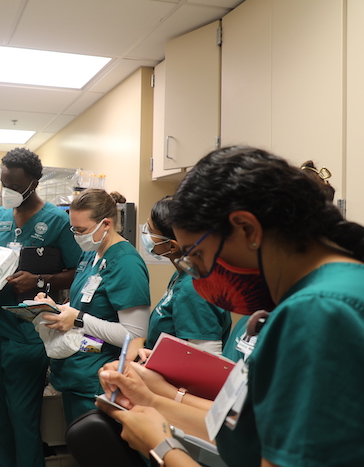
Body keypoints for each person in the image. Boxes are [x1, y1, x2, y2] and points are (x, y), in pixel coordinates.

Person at [97, 146, 364, 467]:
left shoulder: (318, 312)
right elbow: (246, 433)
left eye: (195, 255)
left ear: (248, 230)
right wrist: (151, 400)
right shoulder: (331, 288)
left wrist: (163, 448)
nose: (197, 277)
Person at [0, 147, 81, 467]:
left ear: (33, 183)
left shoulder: (57, 221)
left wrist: (40, 280)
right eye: (3, 184)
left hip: (27, 333)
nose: (6, 192)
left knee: (22, 416)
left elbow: (78, 271)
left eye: (12, 186)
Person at [35, 188, 151, 425]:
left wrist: (78, 319)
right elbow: (85, 304)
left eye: (81, 230)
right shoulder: (90, 254)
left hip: (98, 380)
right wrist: (57, 308)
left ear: (106, 224)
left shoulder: (126, 263)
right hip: (75, 371)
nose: (76, 236)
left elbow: (135, 334)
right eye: (73, 229)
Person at [131, 196, 231, 360]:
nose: (145, 234)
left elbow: (205, 362)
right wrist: (141, 342)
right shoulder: (183, 274)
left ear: (172, 246)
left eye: (150, 231)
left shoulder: (195, 287)